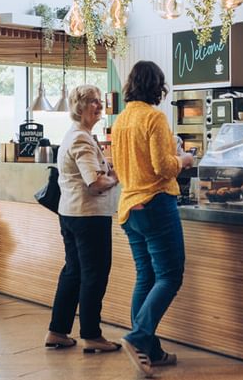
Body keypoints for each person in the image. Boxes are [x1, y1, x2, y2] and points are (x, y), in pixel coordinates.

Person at [112, 61, 194, 377]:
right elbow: (162, 166)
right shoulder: (153, 117)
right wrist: (184, 159)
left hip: (129, 206)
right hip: (156, 203)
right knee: (170, 276)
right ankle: (137, 338)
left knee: (146, 276)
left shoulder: (120, 121)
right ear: (156, 87)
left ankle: (150, 351)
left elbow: (123, 165)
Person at [46, 85, 121, 353]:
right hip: (89, 216)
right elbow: (95, 183)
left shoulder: (76, 135)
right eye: (92, 102)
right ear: (79, 107)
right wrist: (115, 175)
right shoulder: (81, 138)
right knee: (94, 275)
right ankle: (91, 335)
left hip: (71, 214)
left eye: (99, 101)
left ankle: (57, 331)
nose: (98, 106)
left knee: (74, 272)